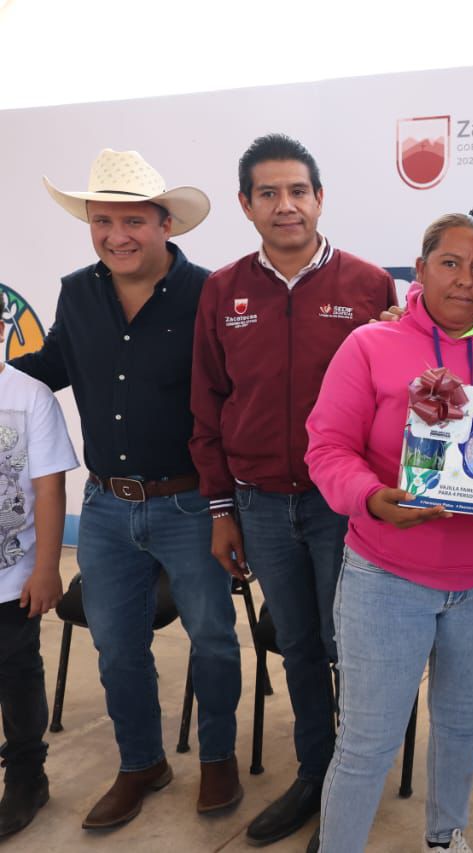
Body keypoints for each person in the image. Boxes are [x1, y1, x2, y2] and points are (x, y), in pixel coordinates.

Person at [304, 213, 473, 852]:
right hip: (385, 579)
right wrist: (370, 498)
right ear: (420, 271)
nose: (465, 280)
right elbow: (327, 448)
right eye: (450, 263)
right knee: (367, 742)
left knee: (462, 727)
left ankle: (445, 839)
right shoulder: (369, 345)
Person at [13, 149, 242, 827]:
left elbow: (237, 392)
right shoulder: (77, 292)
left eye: (133, 220)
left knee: (214, 638)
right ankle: (142, 762)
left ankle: (219, 757)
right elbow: (51, 366)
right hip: (106, 508)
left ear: (166, 223)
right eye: (102, 221)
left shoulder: (209, 293)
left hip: (192, 503)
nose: (117, 235)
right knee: (115, 649)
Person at [188, 133, 397, 846]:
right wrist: (222, 508)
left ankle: (353, 780)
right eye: (269, 193)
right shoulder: (223, 291)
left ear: (320, 198)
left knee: (352, 645)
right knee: (300, 644)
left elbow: (396, 400)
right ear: (246, 204)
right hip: (259, 503)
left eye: (298, 191)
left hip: (344, 505)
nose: (286, 205)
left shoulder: (369, 285)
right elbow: (208, 405)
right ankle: (315, 772)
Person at [0, 362, 79, 839]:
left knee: (16, 673)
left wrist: (47, 568)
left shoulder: (30, 396)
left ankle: (27, 775)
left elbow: (49, 488)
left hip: (11, 576)